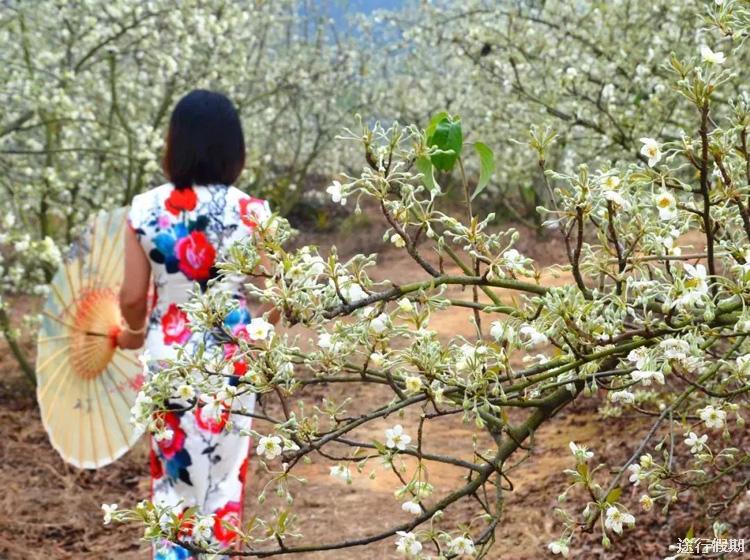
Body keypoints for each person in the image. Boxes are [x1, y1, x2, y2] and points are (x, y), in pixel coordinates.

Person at [116, 89, 279, 559]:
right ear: (235, 149)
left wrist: (131, 333)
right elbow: (278, 294)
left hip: (167, 355)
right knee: (225, 481)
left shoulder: (145, 209)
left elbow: (132, 297)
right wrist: (258, 333)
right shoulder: (252, 212)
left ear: (175, 145)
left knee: (174, 482)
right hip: (233, 355)